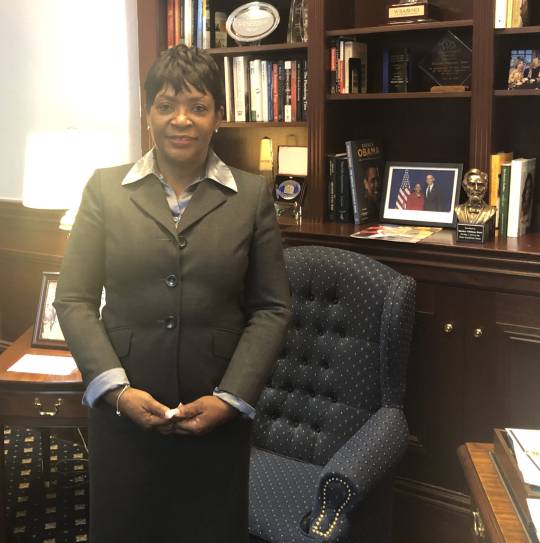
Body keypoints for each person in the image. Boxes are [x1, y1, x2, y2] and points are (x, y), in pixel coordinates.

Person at [53, 44, 292, 543]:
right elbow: (73, 298)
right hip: (124, 415)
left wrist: (230, 398)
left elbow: (270, 309)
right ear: (147, 115)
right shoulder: (104, 189)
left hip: (216, 413)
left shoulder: (250, 197)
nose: (181, 120)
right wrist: (115, 390)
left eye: (198, 107)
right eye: (166, 105)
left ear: (217, 118)